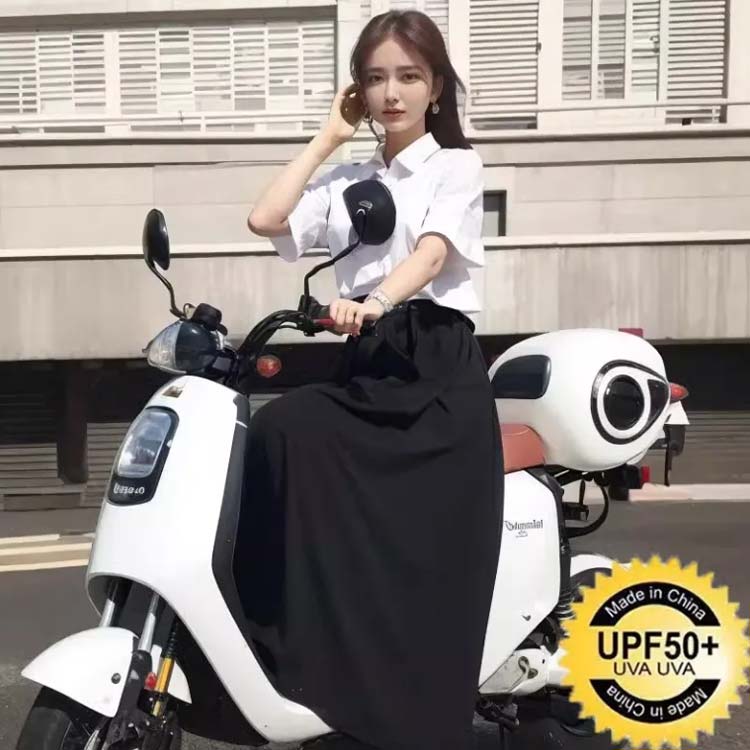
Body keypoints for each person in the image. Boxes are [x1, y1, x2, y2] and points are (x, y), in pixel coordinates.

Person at [242, 10, 504, 750]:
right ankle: (306, 661)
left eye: (409, 76)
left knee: (295, 429)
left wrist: (377, 301)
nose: (392, 93)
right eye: (376, 77)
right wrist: (329, 136)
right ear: (358, 89)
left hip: (433, 367)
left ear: (436, 87)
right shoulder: (347, 179)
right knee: (279, 432)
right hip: (369, 362)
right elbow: (265, 219)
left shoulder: (456, 166)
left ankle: (411, 698)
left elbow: (432, 254)